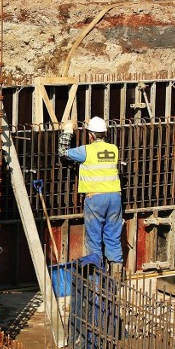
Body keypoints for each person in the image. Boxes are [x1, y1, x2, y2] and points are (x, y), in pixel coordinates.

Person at [58, 116, 123, 278]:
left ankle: (97, 279)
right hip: (115, 198)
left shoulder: (86, 151)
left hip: (95, 199)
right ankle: (115, 280)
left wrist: (67, 130)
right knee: (113, 238)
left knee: (94, 239)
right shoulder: (114, 149)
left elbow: (63, 152)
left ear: (91, 135)